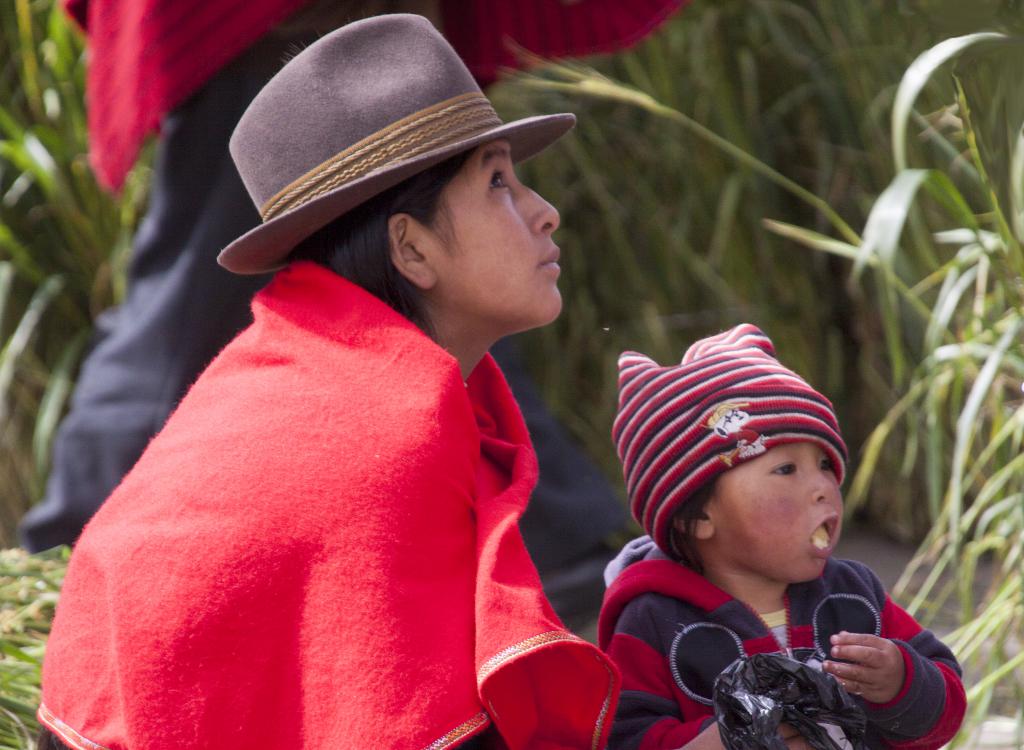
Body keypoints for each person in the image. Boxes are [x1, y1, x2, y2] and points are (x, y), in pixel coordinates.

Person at [36, 16, 621, 749]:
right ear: (410, 249)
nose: (544, 212)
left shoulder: (317, 366)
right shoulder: (387, 434)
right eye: (499, 183)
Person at [596, 324, 966, 749]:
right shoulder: (651, 621)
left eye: (824, 463)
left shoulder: (853, 595)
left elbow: (946, 709)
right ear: (697, 517)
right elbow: (621, 738)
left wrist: (902, 681)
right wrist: (724, 740)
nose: (823, 486)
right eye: (786, 470)